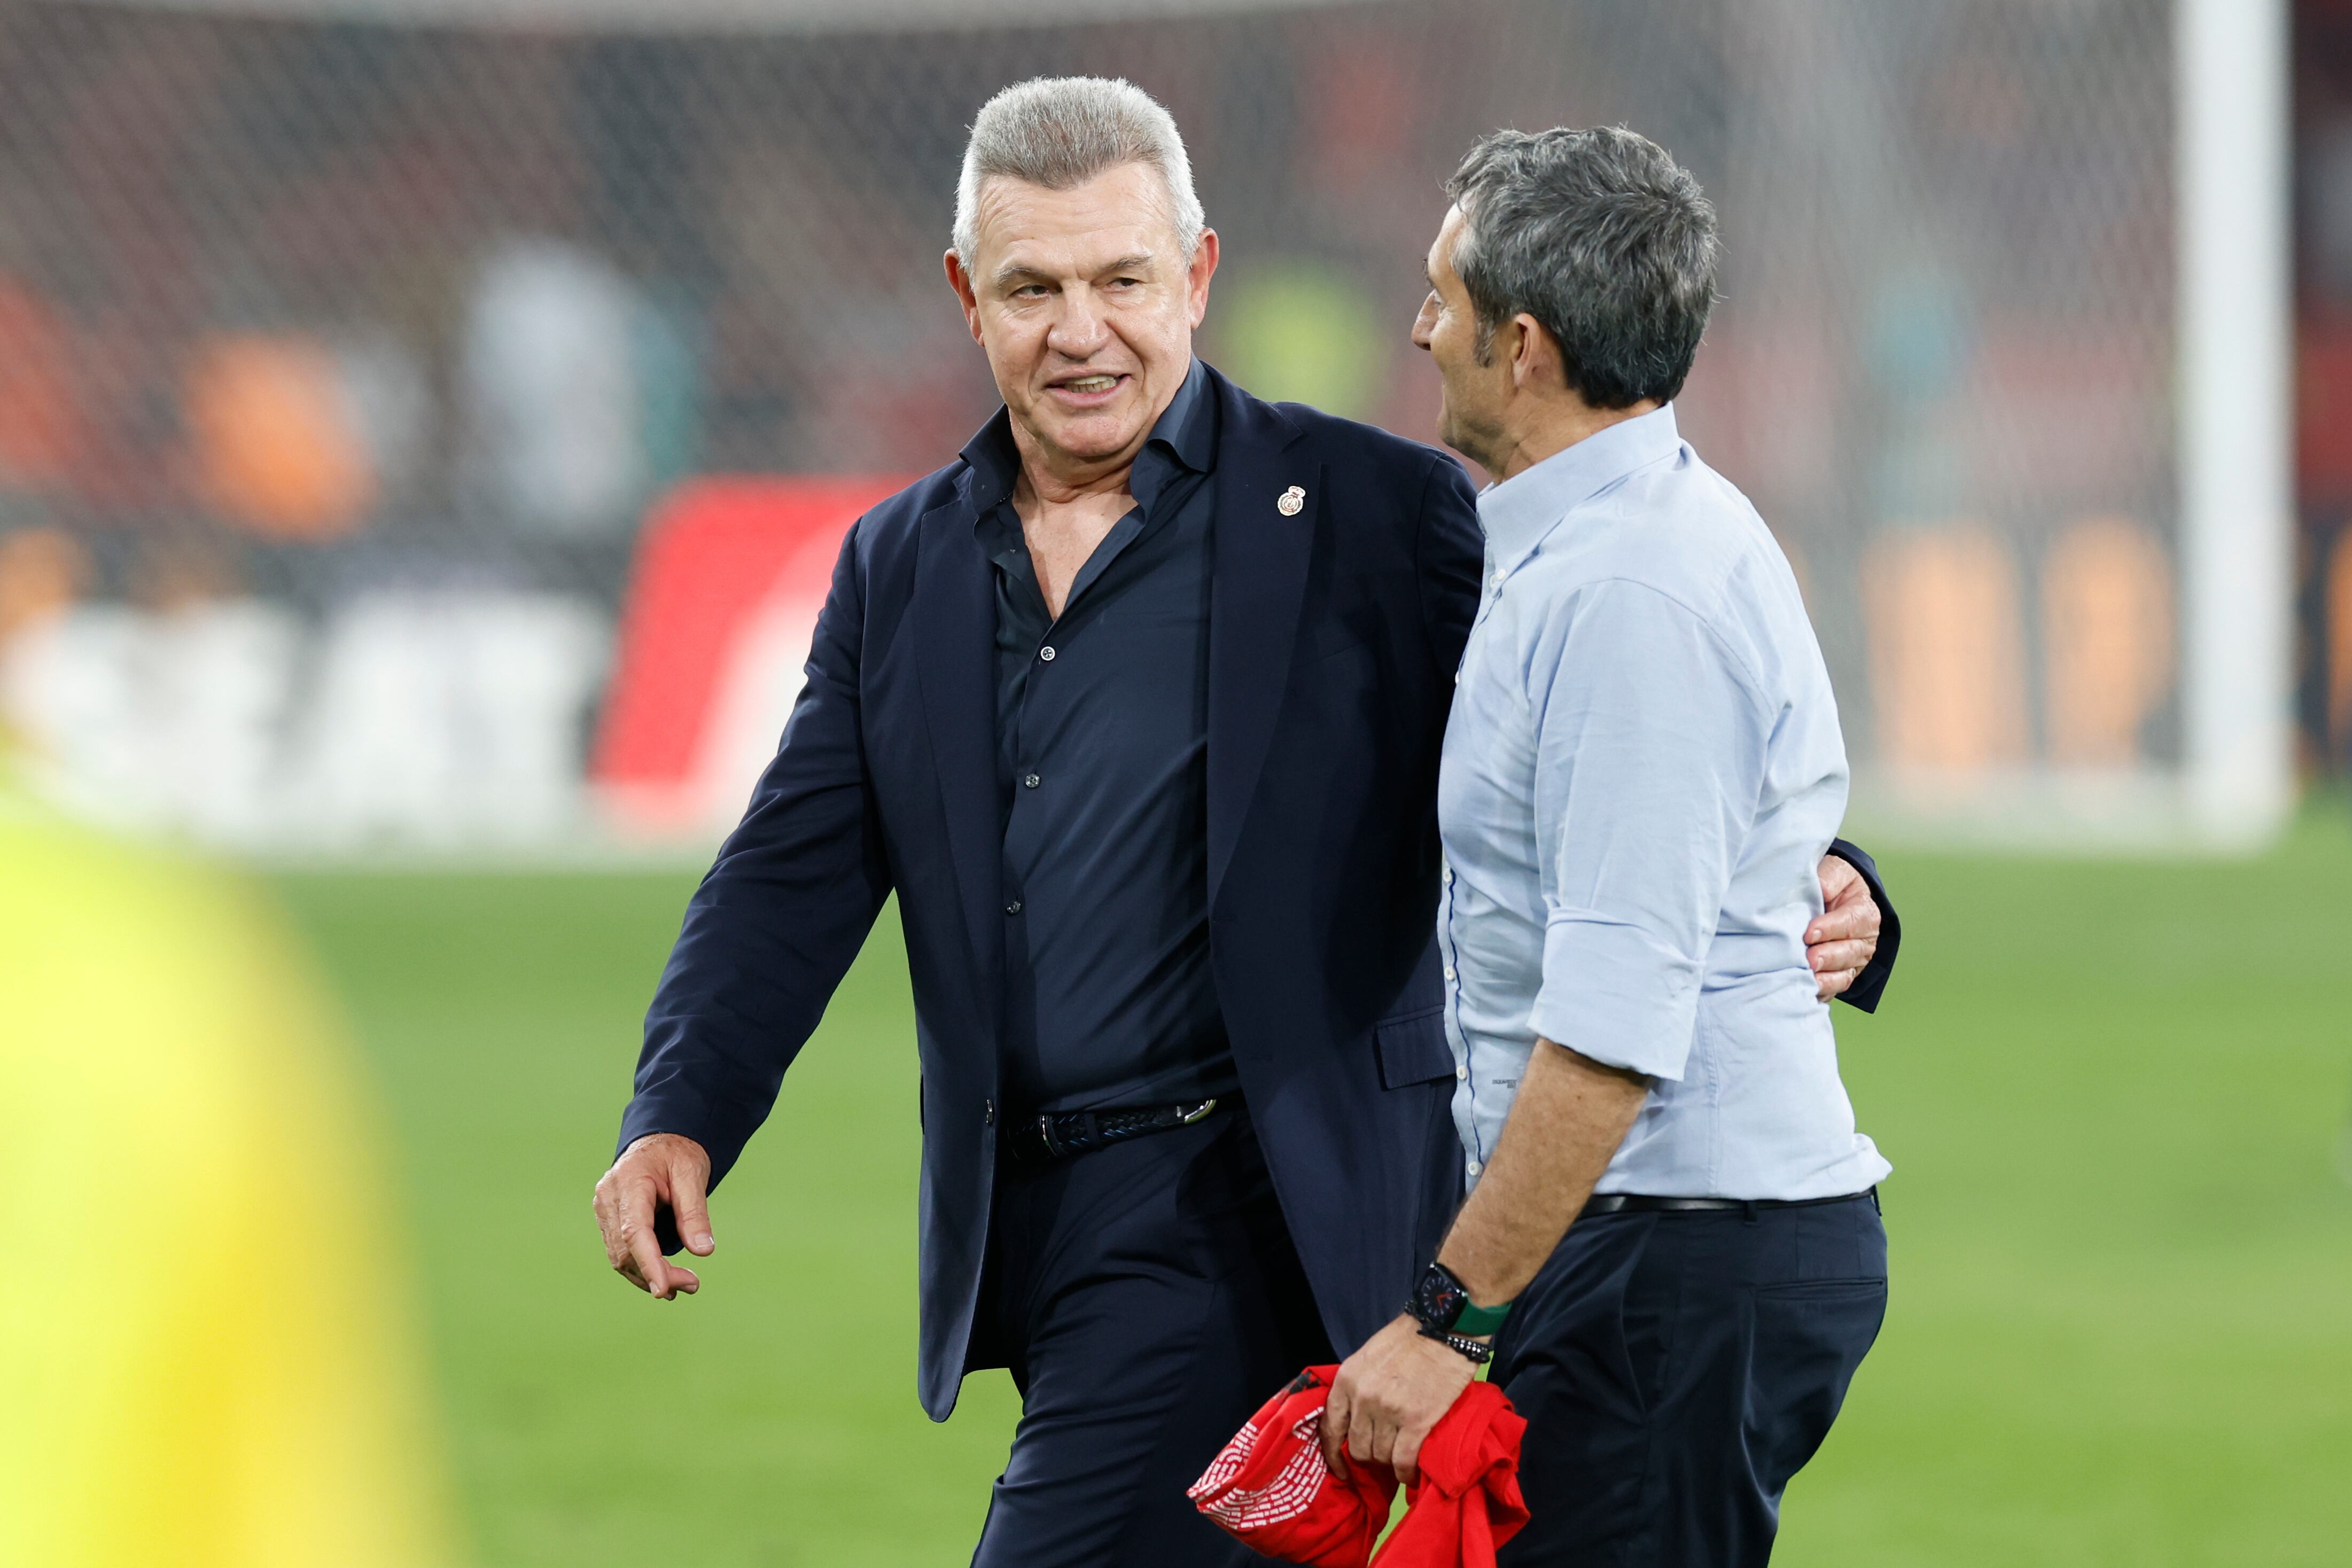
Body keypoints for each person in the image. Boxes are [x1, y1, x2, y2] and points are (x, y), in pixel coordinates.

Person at [593, 79, 1895, 1567]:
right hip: (1040, 1215)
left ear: (1196, 277)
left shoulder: (1375, 513)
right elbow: (793, 865)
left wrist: (1829, 880)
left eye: (1121, 281)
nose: (1080, 329)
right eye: (1033, 288)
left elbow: (1634, 744)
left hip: (1266, 1200)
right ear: (968, 298)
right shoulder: (902, 565)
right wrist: (681, 1111)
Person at [1321, 127, 1892, 1566]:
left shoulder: (1630, 589)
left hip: (1675, 1245)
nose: (1418, 326)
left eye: (1440, 295)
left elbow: (1615, 1019)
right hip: (1651, 1241)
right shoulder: (1603, 545)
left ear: (1521, 346)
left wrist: (1449, 1322)